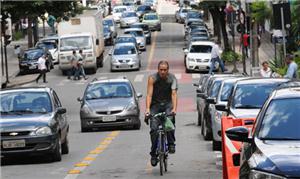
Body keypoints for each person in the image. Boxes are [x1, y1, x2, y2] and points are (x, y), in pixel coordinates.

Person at [144, 60, 178, 167]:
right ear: (158, 70)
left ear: (168, 70)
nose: (163, 72)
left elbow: (174, 94)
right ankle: (154, 154)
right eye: (161, 70)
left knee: (170, 122)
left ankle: (171, 144)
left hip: (167, 104)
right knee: (154, 129)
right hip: (155, 106)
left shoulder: (172, 79)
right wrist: (147, 109)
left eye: (165, 70)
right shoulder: (152, 79)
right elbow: (149, 95)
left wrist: (174, 109)